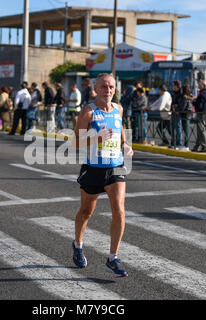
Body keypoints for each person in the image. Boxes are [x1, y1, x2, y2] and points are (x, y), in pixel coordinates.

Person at [73, 73, 133, 277]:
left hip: (115, 167)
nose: (108, 91)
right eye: (104, 87)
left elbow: (120, 126)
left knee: (120, 210)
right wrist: (96, 138)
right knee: (86, 212)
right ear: (96, 89)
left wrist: (124, 143)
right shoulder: (88, 112)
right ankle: (78, 244)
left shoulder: (118, 108)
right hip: (93, 169)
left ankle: (112, 258)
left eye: (111, 87)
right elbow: (76, 142)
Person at [192, 80, 206, 152]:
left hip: (201, 113)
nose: (198, 86)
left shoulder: (202, 94)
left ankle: (205, 147)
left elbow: (199, 105)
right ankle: (196, 146)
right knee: (200, 131)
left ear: (202, 86)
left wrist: (193, 101)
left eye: (199, 85)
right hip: (205, 113)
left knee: (202, 131)